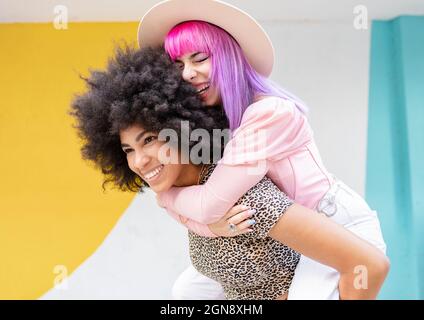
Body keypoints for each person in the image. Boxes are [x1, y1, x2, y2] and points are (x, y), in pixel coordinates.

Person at [69, 45, 389, 299]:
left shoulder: (246, 195)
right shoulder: (201, 181)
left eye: (149, 140)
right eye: (127, 150)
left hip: (338, 214)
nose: (138, 162)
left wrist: (196, 213)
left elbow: (370, 265)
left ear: (181, 127)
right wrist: (197, 218)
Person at [137, 0, 388, 299]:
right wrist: (210, 226)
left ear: (229, 57)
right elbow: (209, 211)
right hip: (285, 232)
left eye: (199, 58)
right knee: (187, 293)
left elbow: (208, 205)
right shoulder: (218, 121)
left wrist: (166, 196)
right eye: (178, 65)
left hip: (335, 226)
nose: (187, 74)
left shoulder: (269, 113)